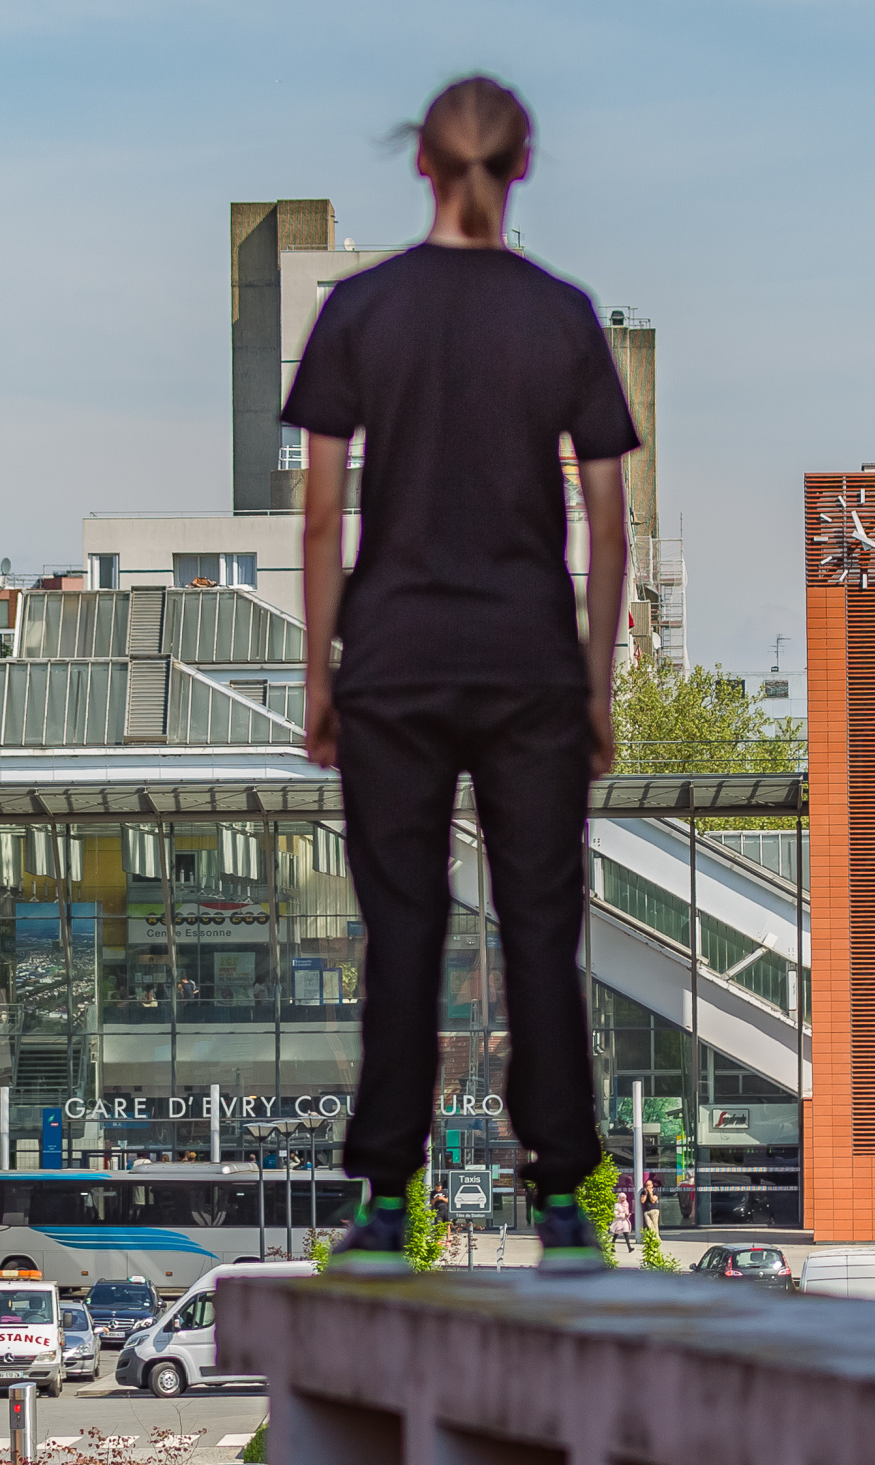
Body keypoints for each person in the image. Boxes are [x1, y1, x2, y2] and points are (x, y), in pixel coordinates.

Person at [291, 77, 640, 1280]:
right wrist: (594, 686)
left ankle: (387, 1195)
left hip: (390, 659)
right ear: (524, 166)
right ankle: (564, 1206)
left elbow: (323, 508)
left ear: (424, 167)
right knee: (542, 926)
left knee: (404, 929)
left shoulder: (361, 311)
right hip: (531, 662)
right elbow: (607, 518)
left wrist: (318, 677)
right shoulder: (561, 316)